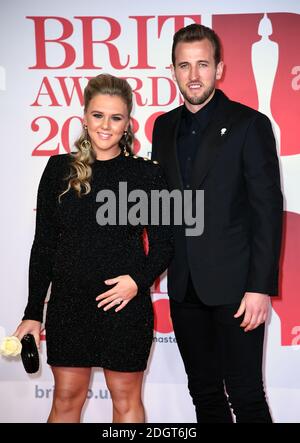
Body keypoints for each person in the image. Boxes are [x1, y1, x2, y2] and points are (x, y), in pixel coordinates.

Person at [13, 74, 173, 423]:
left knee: (126, 399)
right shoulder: (59, 169)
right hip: (70, 302)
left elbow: (165, 244)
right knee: (66, 398)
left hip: (124, 305)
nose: (106, 125)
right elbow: (44, 245)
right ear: (84, 118)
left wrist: (137, 281)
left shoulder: (147, 175)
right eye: (98, 115)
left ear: (128, 123)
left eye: (116, 118)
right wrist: (31, 312)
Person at [151, 24, 283, 423]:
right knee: (203, 393)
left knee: (245, 394)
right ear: (172, 70)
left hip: (237, 290)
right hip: (185, 285)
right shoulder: (163, 126)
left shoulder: (249, 124)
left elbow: (267, 208)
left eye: (203, 64)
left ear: (220, 68)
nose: (193, 75)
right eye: (184, 65)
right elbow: (163, 207)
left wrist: (259, 287)